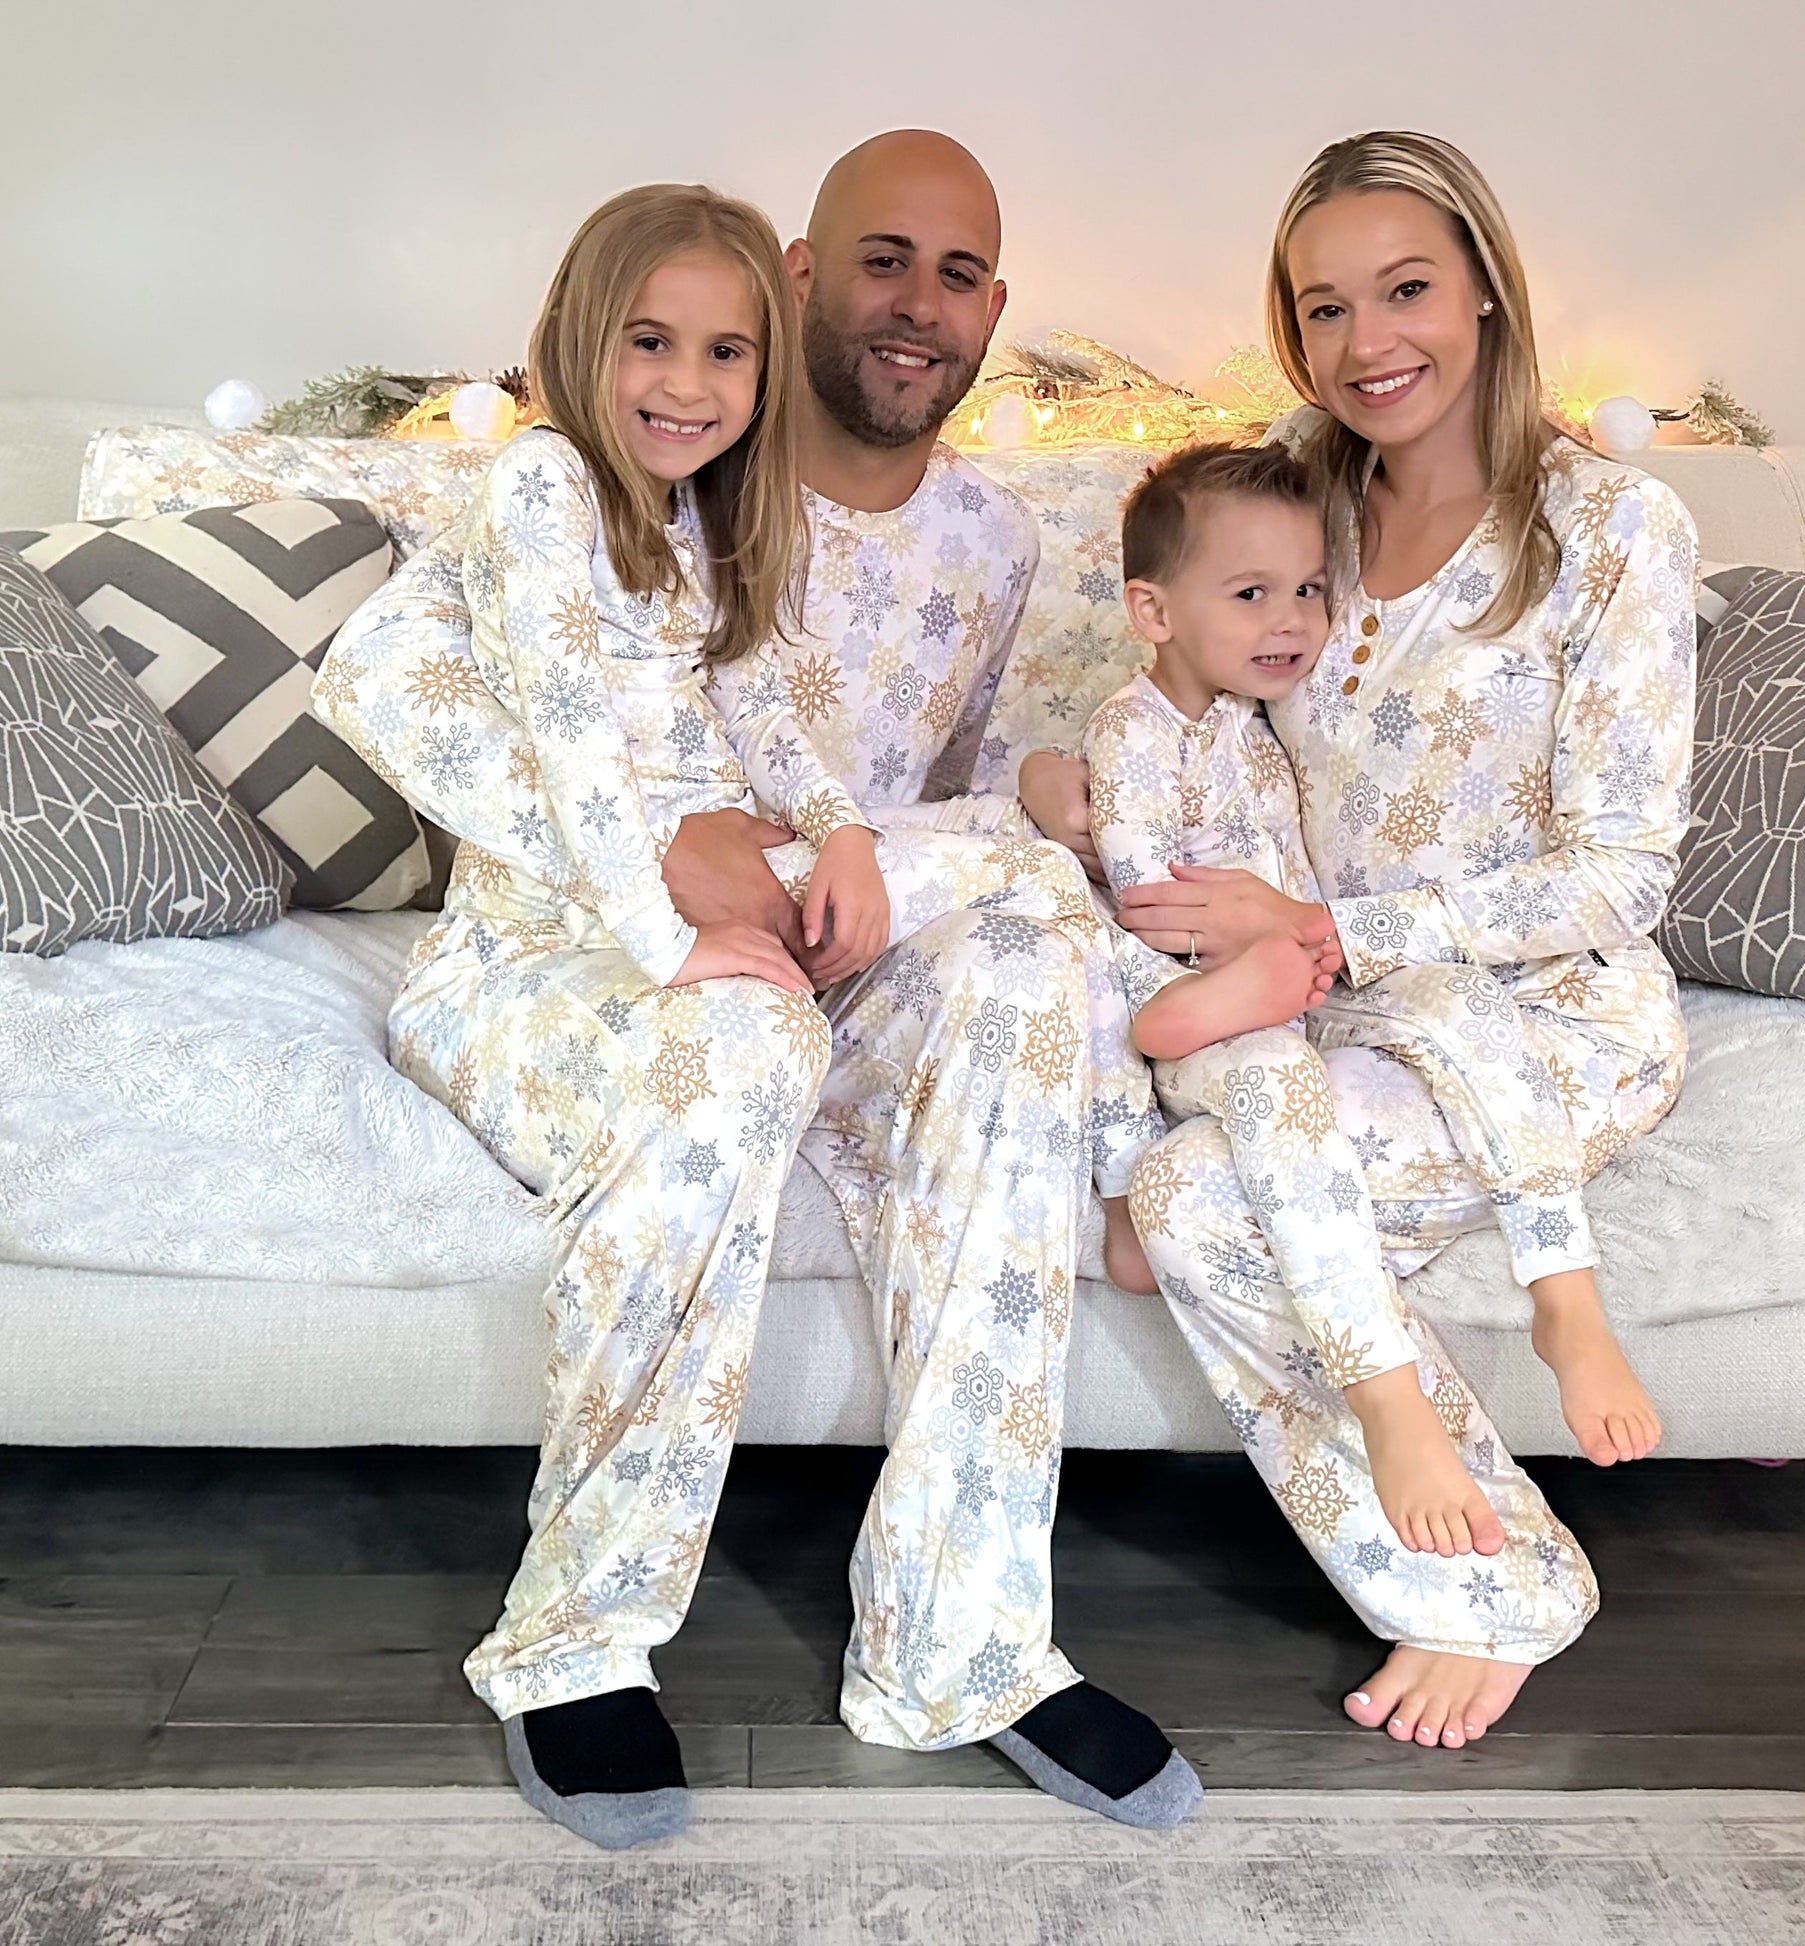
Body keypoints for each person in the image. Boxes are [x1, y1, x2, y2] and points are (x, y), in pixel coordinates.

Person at [316, 132, 1197, 1839]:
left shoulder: (915, 529)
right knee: (738, 1042)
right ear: (806, 279)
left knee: (1026, 945)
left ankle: (962, 1639)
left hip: (811, 928)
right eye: (880, 259)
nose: (914, 304)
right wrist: (671, 888)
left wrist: (853, 835)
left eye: (954, 274)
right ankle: (577, 1636)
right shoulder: (585, 481)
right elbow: (393, 683)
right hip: (584, 949)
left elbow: (795, 714)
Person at [1021, 130, 1695, 1750]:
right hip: (1327, 1016)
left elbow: (1622, 874)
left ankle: (1480, 1583)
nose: (1366, 342)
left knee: (1203, 1203)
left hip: (1540, 1016)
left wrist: (1331, 922)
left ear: (1483, 291)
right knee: (1183, 1186)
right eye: (1322, 309)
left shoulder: (1614, 526)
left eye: (1404, 291)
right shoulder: (1292, 500)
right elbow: (1173, 673)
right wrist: (1062, 773)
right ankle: (1483, 1568)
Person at [1092, 441, 1660, 1525]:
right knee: (1276, 1097)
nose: (1292, 620)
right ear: (1152, 612)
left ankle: (1562, 1289)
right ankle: (1387, 1396)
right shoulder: (1129, 730)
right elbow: (1146, 891)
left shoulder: (1252, 716)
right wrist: (1240, 967)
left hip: (1314, 975)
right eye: (1252, 595)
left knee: (1460, 1000)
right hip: (1212, 1008)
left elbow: (1299, 883)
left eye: (1311, 590)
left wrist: (1304, 946)